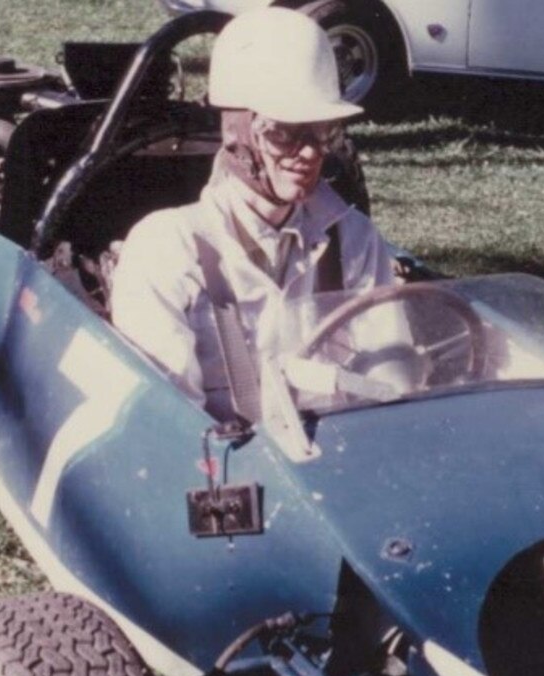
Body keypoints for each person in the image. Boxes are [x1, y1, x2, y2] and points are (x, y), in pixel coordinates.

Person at [109, 7, 398, 421]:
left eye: (323, 131)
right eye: (284, 132)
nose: (311, 153)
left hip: (342, 457)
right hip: (223, 472)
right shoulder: (167, 250)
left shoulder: (355, 240)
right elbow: (168, 422)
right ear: (237, 132)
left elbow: (387, 380)